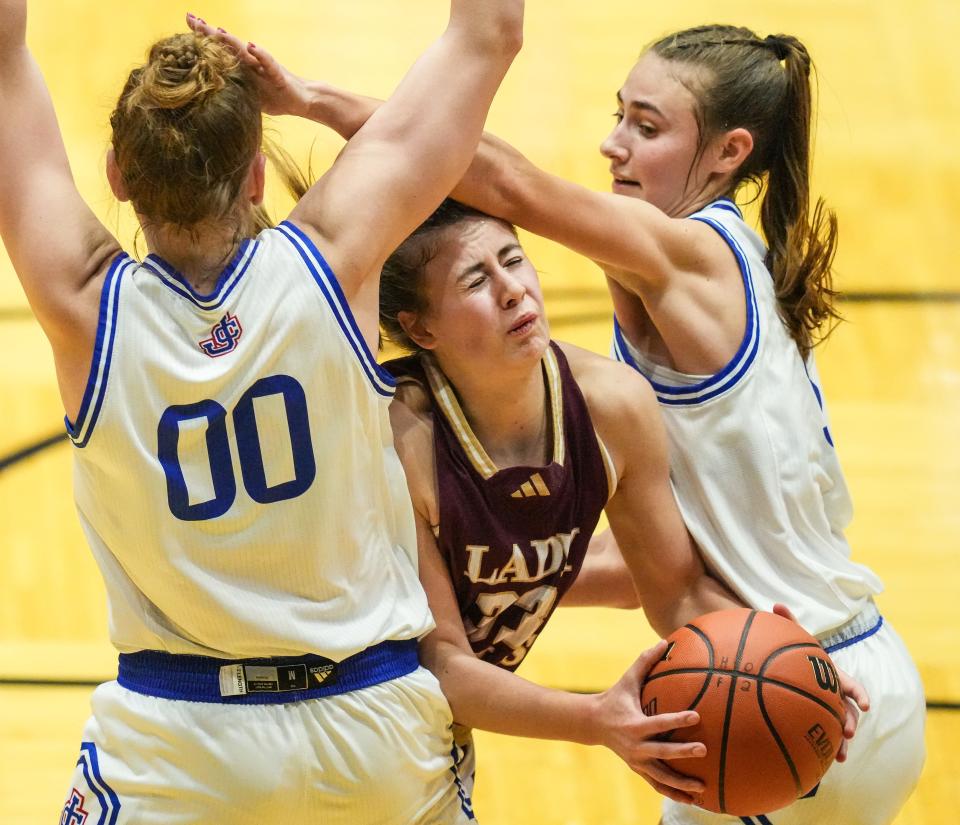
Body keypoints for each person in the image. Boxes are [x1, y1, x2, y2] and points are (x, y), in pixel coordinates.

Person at [186, 20, 921, 825]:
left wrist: (314, 102)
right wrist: (504, 566)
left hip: (776, 677)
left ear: (728, 153)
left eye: (647, 127)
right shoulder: (720, 261)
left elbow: (506, 182)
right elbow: (665, 568)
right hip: (845, 669)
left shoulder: (683, 256)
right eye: (619, 115)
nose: (614, 145)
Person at [0, 2, 523, 823]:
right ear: (254, 176)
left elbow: (2, 59)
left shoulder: (83, 305)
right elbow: (488, 33)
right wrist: (308, 97)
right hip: (373, 725)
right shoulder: (338, 253)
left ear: (117, 176)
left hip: (179, 742)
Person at [380, 198, 743, 807]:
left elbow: (672, 590)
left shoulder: (612, 405)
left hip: (434, 728)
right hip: (344, 703)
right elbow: (439, 663)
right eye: (477, 279)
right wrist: (596, 717)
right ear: (420, 329)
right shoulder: (397, 434)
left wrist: (799, 657)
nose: (513, 291)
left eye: (515, 261)